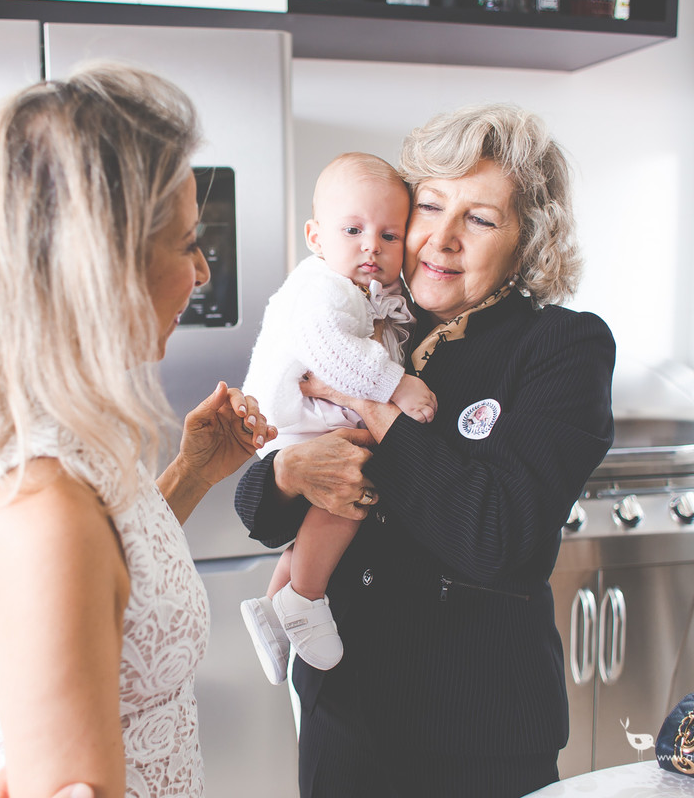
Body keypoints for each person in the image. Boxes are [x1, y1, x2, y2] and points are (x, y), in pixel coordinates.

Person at [0, 62, 277, 798]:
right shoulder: (41, 508)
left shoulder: (62, 436)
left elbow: (112, 594)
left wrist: (191, 472)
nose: (202, 273)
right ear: (99, 268)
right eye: (185, 243)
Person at [234, 103, 616, 798]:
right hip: (345, 722)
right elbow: (259, 512)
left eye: (479, 219)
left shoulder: (561, 348)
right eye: (430, 207)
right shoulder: (372, 325)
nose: (440, 240)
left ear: (525, 241)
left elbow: (497, 535)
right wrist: (289, 470)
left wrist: (377, 409)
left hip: (474, 740)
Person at [238, 152, 436, 684]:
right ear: (316, 235)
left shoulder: (370, 292)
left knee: (331, 503)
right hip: (298, 419)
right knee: (353, 486)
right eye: (353, 229)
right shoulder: (322, 287)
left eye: (390, 235)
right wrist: (398, 384)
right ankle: (305, 596)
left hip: (305, 418)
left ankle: (275, 606)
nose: (371, 245)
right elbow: (334, 354)